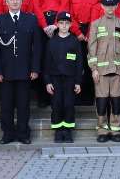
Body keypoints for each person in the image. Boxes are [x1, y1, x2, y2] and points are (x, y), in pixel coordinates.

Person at [0, 0, 42, 144]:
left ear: (22, 1)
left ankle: (23, 134)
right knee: (6, 105)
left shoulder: (31, 19)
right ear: (6, 2)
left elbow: (37, 47)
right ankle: (7, 134)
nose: (14, 2)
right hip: (5, 71)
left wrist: (35, 68)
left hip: (25, 70)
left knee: (23, 105)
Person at [88, 0, 120, 142]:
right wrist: (93, 69)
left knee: (117, 101)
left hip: (118, 71)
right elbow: (91, 49)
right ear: (102, 6)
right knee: (101, 102)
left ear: (116, 6)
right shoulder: (95, 25)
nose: (110, 8)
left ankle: (115, 129)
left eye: (112, 5)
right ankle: (102, 130)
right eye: (107, 5)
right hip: (100, 72)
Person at [44, 11, 82, 143]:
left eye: (67, 23)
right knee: (57, 104)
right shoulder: (51, 42)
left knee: (68, 104)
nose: (64, 26)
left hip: (70, 79)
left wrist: (78, 82)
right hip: (55, 79)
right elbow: (47, 63)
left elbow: (79, 63)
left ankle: (68, 130)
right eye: (61, 23)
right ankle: (58, 131)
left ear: (70, 24)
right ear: (57, 24)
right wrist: (48, 81)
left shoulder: (74, 41)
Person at [70, 0, 101, 104]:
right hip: (76, 31)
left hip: (91, 30)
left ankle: (88, 98)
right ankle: (76, 97)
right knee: (76, 63)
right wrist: (78, 33)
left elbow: (97, 15)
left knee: (90, 64)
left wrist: (89, 33)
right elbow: (69, 15)